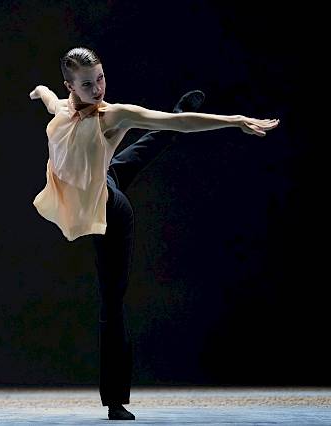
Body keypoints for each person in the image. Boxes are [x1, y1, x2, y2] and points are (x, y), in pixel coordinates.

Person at [29, 47, 278, 420]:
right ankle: (167, 118)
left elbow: (180, 125)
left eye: (100, 79)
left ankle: (115, 400)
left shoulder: (113, 114)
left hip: (109, 207)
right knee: (136, 154)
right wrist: (41, 91)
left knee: (111, 302)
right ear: (71, 87)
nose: (98, 89)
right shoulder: (65, 109)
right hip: (99, 180)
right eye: (87, 84)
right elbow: (52, 102)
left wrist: (234, 119)